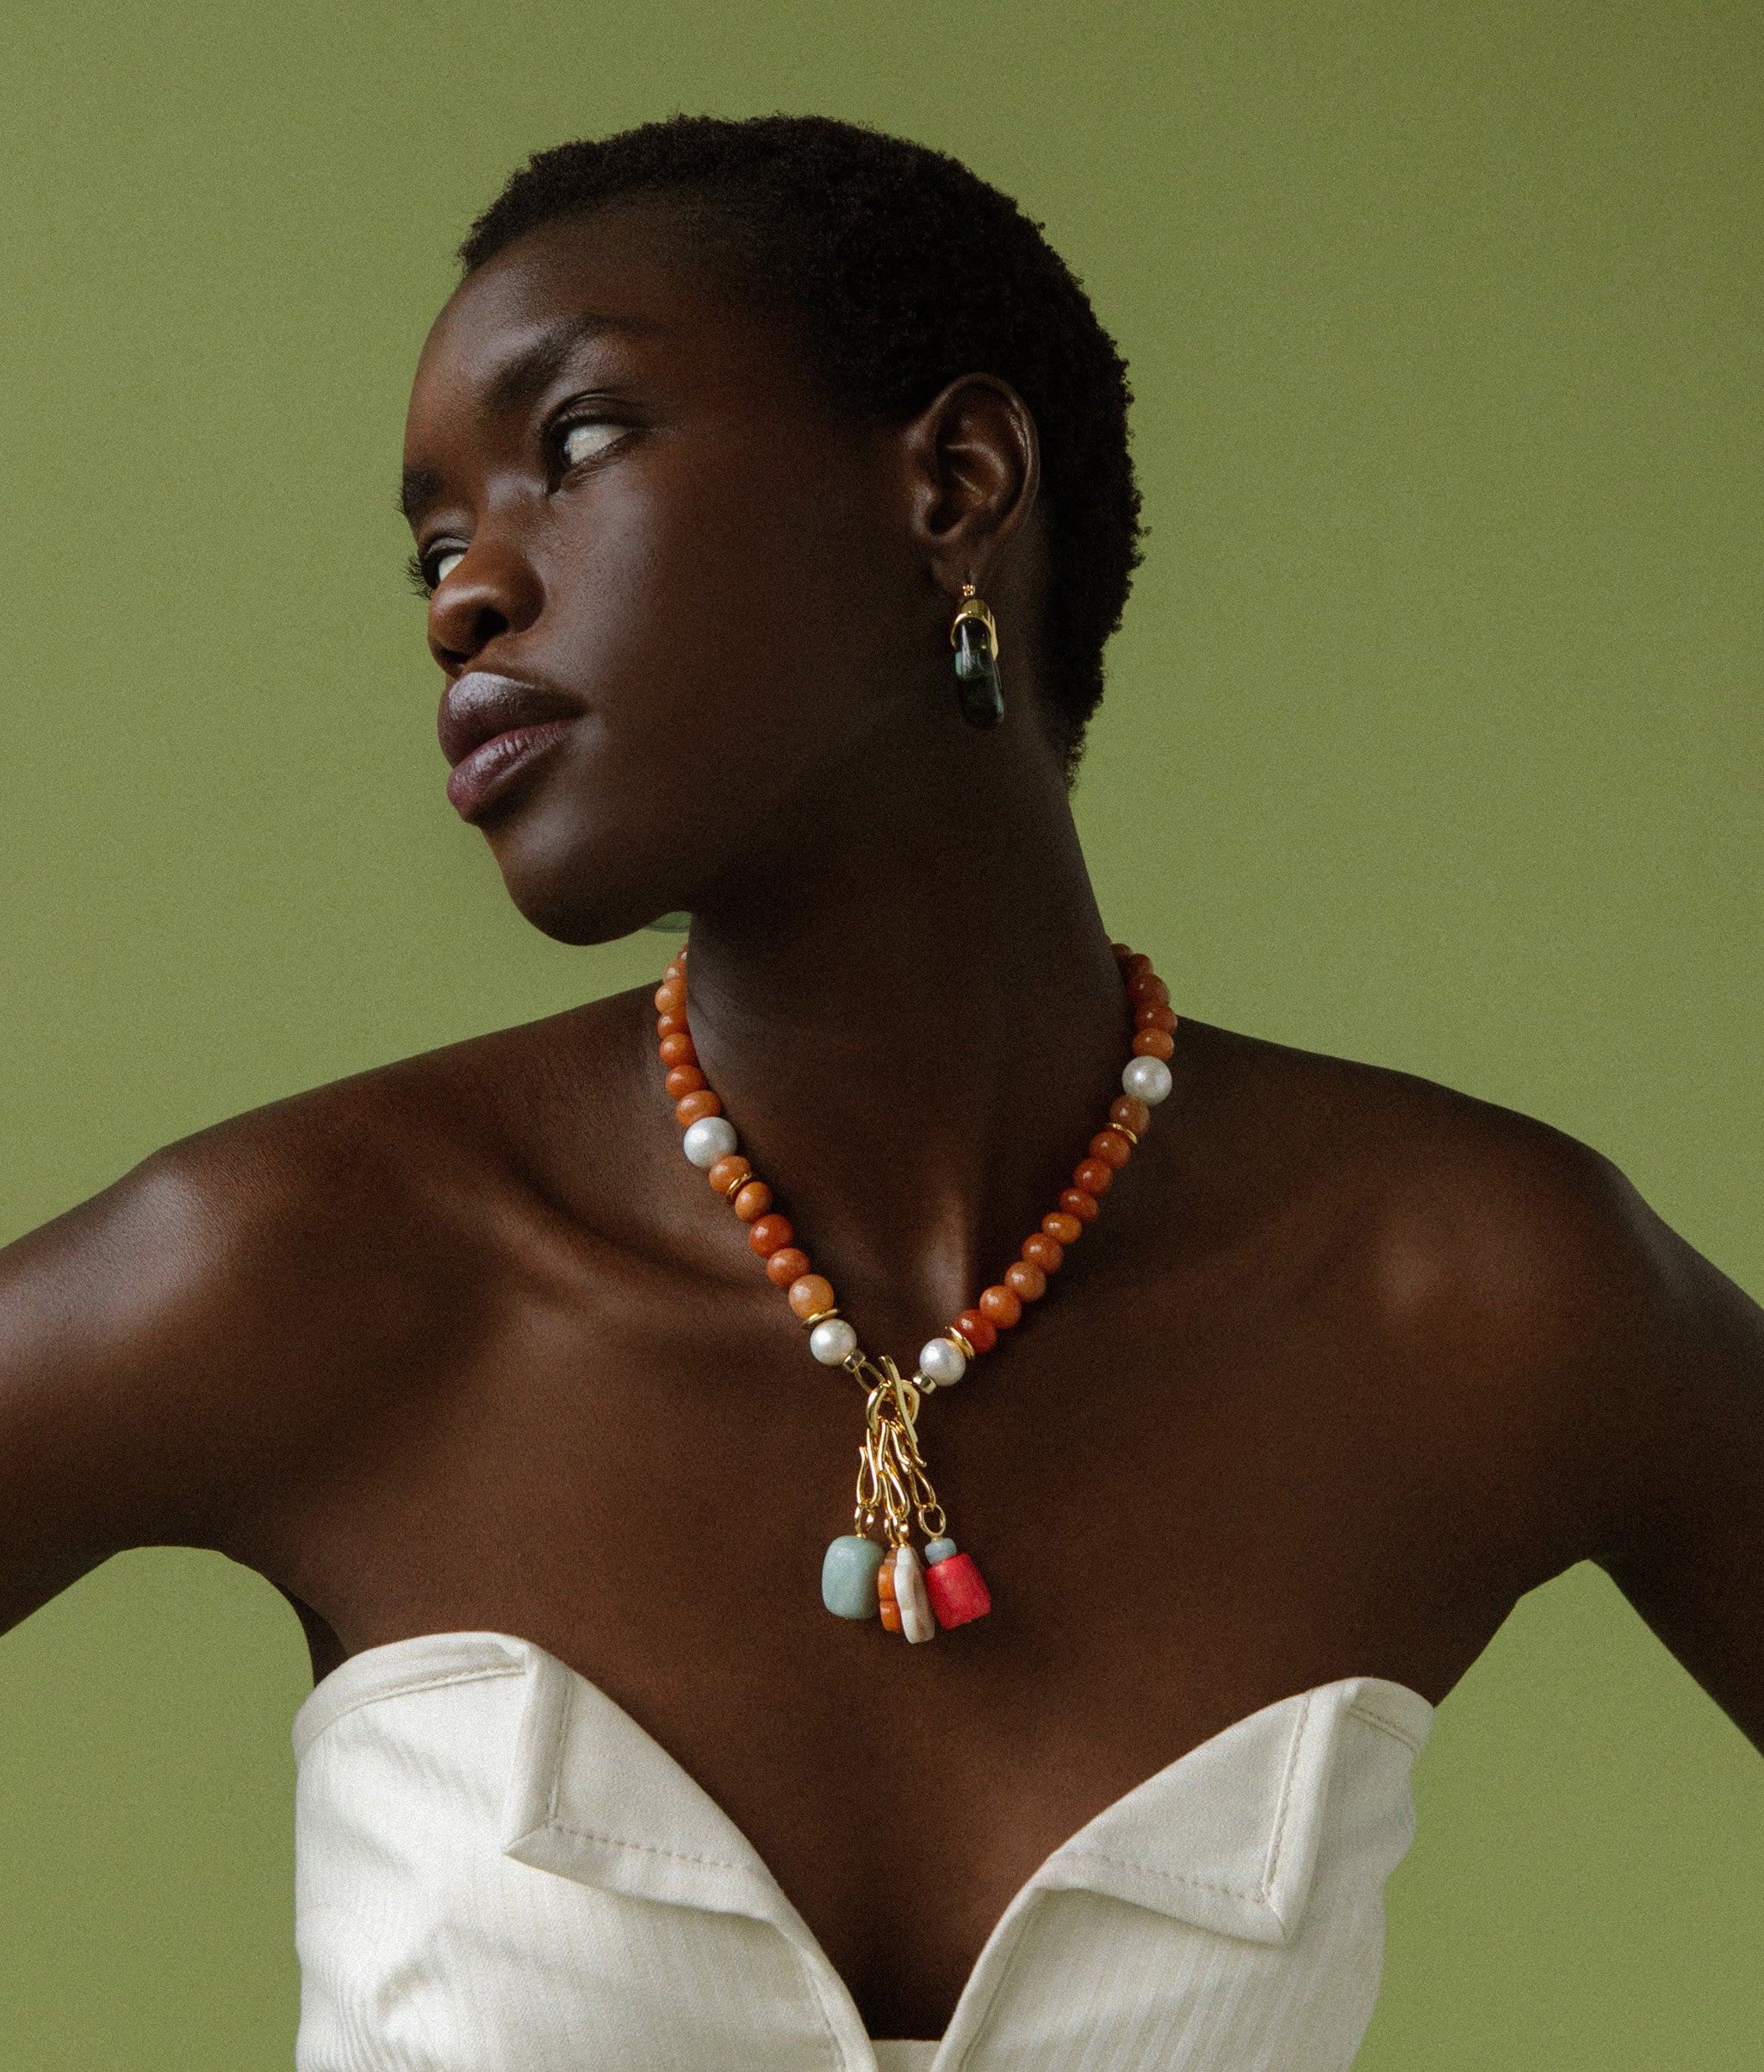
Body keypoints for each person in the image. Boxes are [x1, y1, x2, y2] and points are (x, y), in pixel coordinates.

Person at [2, 112, 1758, 2070]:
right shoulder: (319, 1266)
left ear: (953, 481)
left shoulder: (1461, 1288)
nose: (462, 595)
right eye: (432, 541)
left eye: (572, 441)